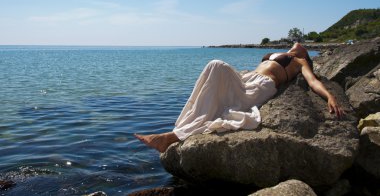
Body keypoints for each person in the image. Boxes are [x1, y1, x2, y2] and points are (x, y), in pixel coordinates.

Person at [135, 43, 344, 153]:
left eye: (302, 46)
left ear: (305, 54)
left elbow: (313, 81)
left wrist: (329, 96)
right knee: (213, 70)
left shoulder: (300, 61)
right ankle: (179, 128)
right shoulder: (283, 53)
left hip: (261, 87)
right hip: (246, 79)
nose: (297, 43)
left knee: (216, 64)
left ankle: (171, 138)